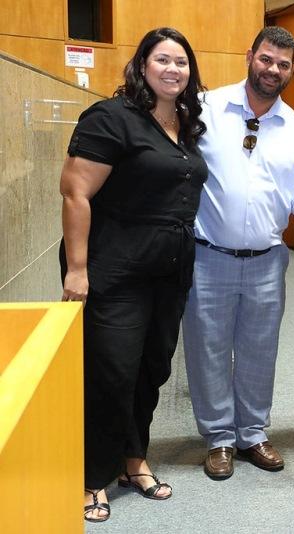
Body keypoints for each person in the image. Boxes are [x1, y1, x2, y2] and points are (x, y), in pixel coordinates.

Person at [59, 27, 207, 522]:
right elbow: (75, 191)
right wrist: (77, 270)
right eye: (162, 59)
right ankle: (92, 476)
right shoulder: (112, 117)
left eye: (181, 62)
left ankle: (133, 459)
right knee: (111, 373)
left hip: (169, 271)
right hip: (115, 268)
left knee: (151, 370)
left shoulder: (185, 125)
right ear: (142, 65)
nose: (173, 69)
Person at [182, 26, 294, 480]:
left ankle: (254, 433)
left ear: (291, 70)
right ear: (250, 56)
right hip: (208, 256)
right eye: (266, 59)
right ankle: (219, 438)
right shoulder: (207, 108)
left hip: (266, 260)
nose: (272, 70)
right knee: (208, 349)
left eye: (282, 64)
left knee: (260, 350)